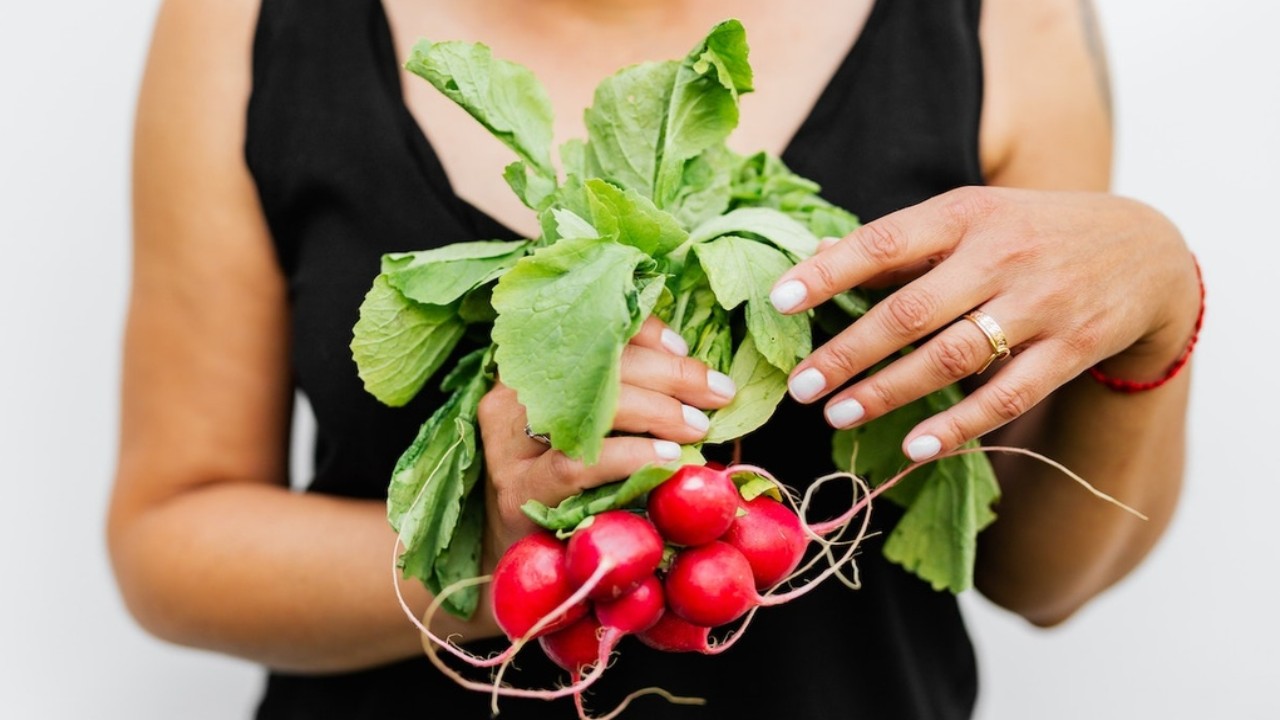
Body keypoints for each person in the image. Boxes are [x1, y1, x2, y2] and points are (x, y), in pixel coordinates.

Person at [107, 0, 1198, 717]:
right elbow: (171, 542)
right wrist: (483, 555)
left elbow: (1042, 578)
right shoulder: (241, 20)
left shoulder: (1011, 22)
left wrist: (1158, 307)